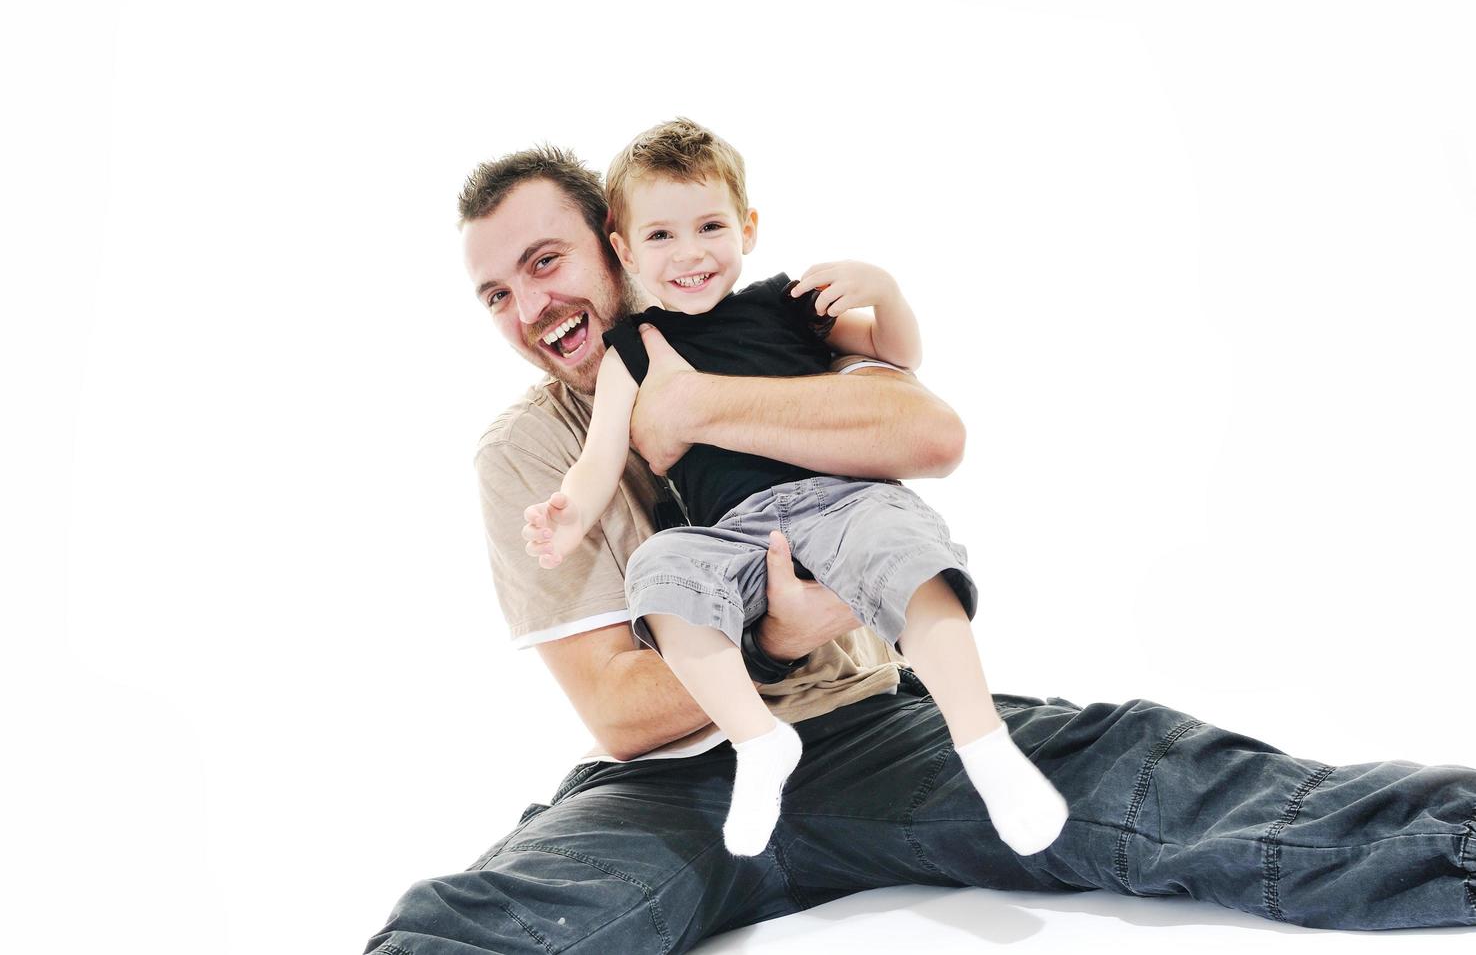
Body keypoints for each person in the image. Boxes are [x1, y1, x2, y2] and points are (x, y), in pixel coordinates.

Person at [363, 145, 1476, 953]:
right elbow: (617, 708)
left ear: (614, 243)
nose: (529, 305)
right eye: (497, 293)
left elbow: (926, 431)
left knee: (1153, 777)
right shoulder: (525, 451)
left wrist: (702, 405)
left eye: (546, 261)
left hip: (875, 728)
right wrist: (776, 636)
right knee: (514, 922)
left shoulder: (753, 333)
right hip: (673, 787)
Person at [519, 118, 1066, 858]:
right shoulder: (631, 351)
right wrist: (568, 512)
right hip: (735, 532)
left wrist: (888, 293)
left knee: (900, 545)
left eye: (710, 226)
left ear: (747, 226)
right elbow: (600, 456)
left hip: (839, 500)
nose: (689, 254)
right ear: (623, 249)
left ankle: (983, 742)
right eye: (660, 237)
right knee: (663, 569)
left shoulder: (787, 304)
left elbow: (898, 355)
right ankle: (758, 742)